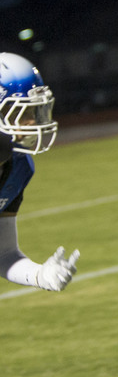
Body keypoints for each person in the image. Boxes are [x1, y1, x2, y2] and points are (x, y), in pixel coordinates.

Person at [0, 52, 80, 292]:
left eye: (34, 113)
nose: (32, 123)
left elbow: (4, 253)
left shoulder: (18, 167)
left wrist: (39, 275)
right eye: (22, 114)